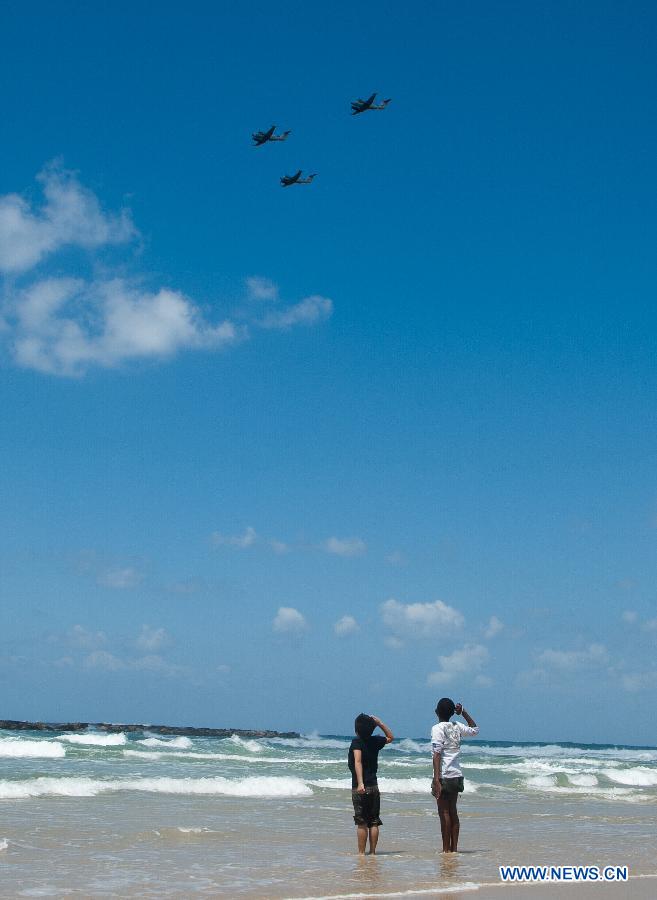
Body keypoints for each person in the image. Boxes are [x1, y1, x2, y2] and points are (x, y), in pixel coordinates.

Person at [431, 698, 479, 853]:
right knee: (453, 812)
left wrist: (436, 779)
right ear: (453, 713)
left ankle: (446, 850)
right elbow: (475, 729)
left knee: (443, 813)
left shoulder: (437, 728)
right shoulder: (457, 726)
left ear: (437, 712)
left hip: (444, 776)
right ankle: (454, 849)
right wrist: (463, 712)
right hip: (457, 776)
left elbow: (437, 754)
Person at [347, 713, 394, 855]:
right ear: (372, 729)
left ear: (356, 730)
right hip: (373, 786)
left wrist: (360, 783)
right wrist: (380, 723)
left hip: (359, 786)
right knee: (373, 821)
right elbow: (391, 737)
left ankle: (362, 854)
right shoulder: (375, 741)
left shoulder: (357, 742)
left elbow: (358, 761)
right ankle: (372, 852)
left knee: (361, 822)